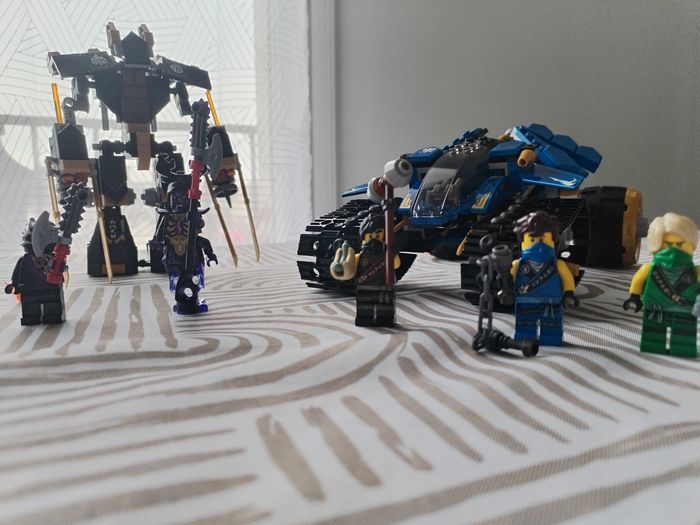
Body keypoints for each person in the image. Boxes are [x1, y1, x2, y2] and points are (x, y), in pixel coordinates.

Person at [623, 212, 699, 357]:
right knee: (653, 337)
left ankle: (682, 349)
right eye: (668, 244)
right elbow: (638, 279)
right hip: (655, 308)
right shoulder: (649, 268)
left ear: (692, 243)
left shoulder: (695, 271)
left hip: (685, 310)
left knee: (683, 338)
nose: (673, 250)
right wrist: (634, 297)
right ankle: (654, 346)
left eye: (680, 244)